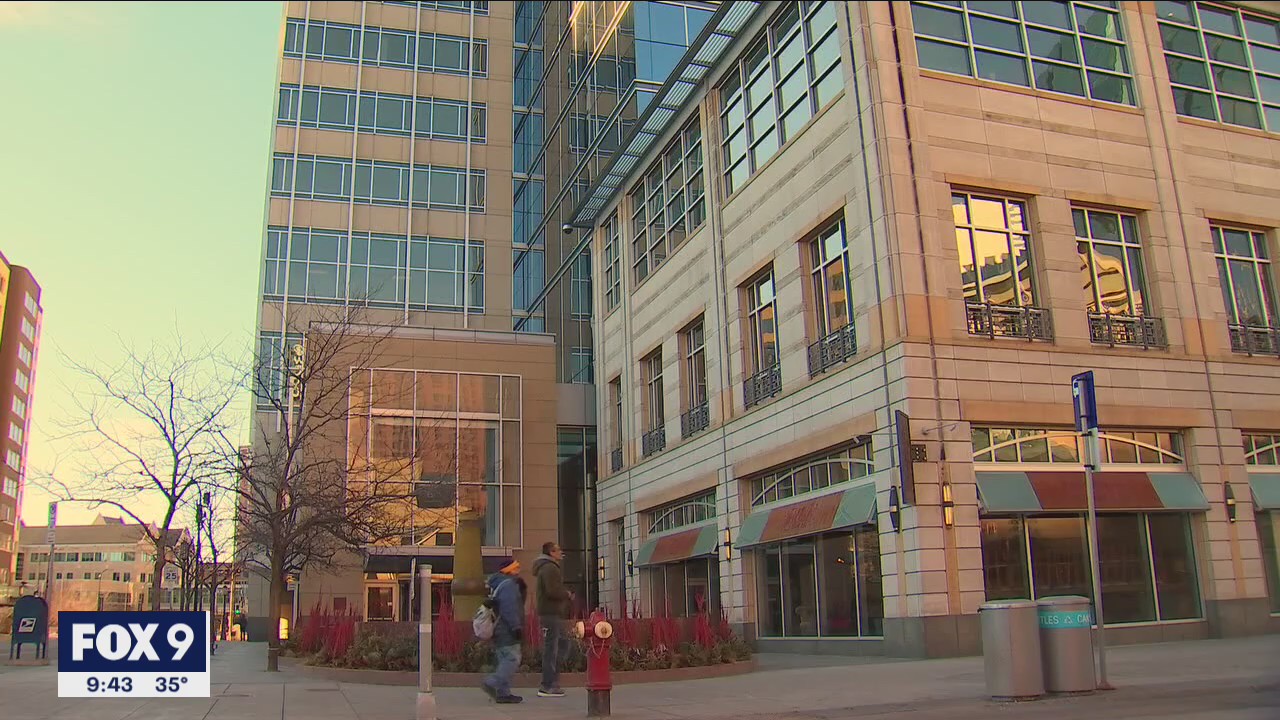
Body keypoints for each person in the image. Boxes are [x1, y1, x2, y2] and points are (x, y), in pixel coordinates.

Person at [481, 557, 525, 704]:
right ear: (509, 570)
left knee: (504, 659)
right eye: (516, 567)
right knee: (512, 659)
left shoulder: (498, 583)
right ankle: (492, 682)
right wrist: (516, 627)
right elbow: (509, 609)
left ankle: (503, 693)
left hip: (498, 629)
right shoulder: (508, 585)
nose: (518, 570)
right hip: (507, 629)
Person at [533, 542, 572, 698]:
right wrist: (566, 594)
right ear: (551, 552)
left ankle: (551, 682)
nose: (561, 552)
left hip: (551, 613)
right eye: (558, 549)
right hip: (551, 613)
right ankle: (548, 685)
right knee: (553, 648)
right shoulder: (550, 568)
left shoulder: (547, 567)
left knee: (561, 644)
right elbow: (552, 590)